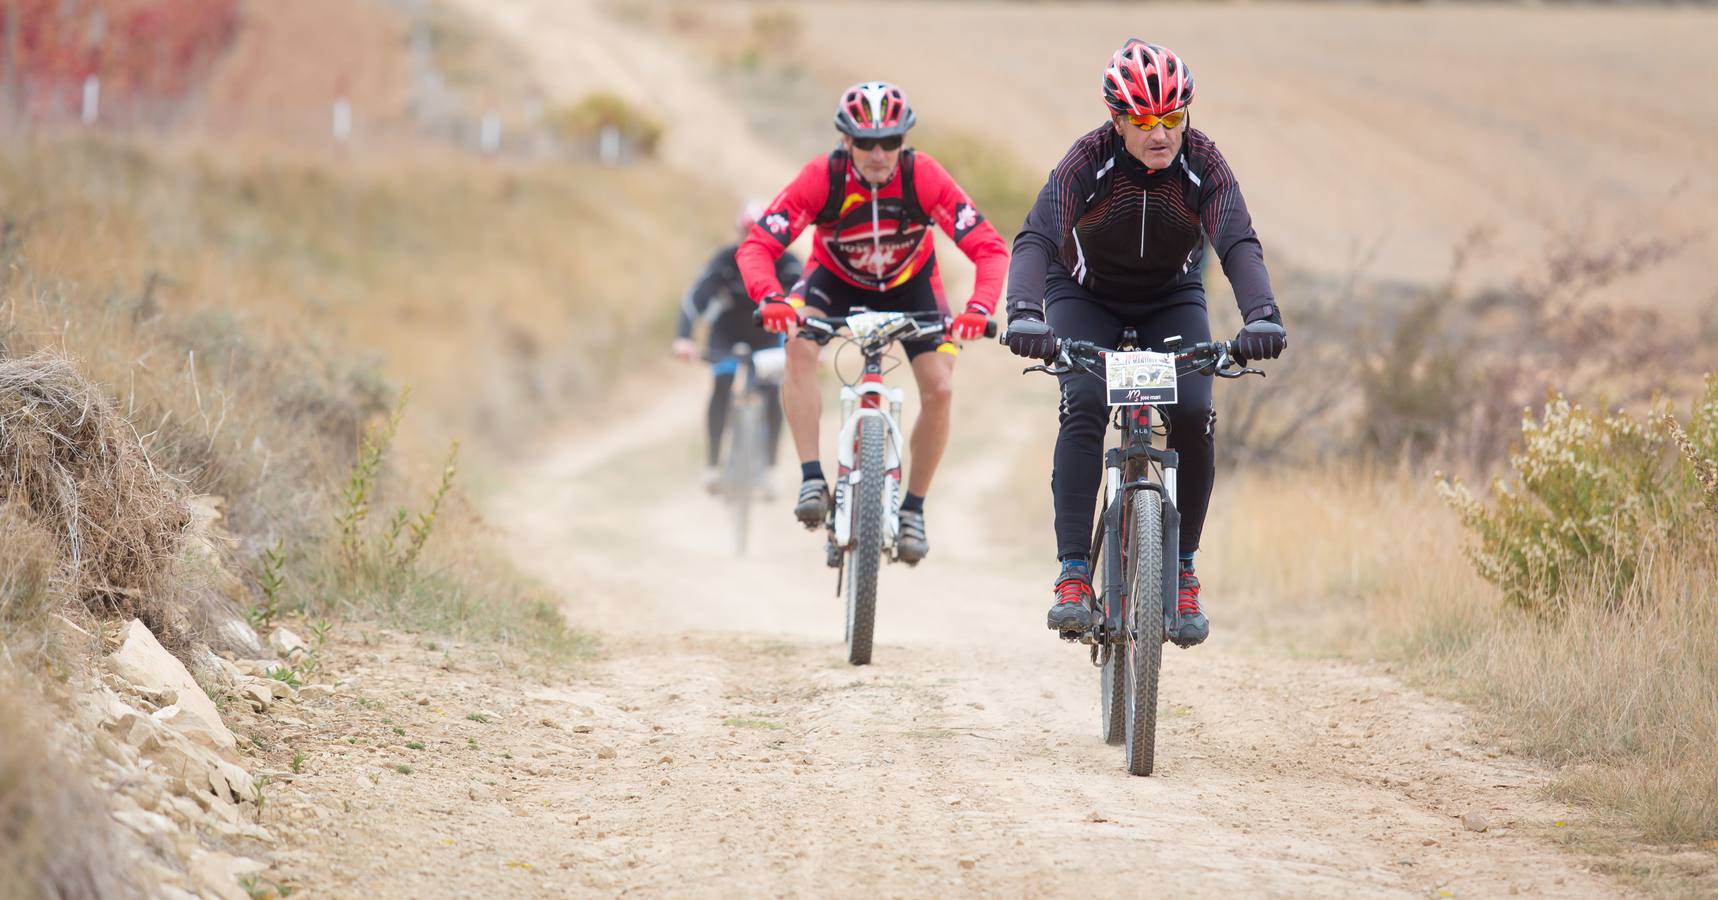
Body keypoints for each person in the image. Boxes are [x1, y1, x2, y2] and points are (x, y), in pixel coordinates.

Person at [1002, 40, 1287, 646]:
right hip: (1085, 295)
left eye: (1173, 118)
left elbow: (1237, 242)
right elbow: (1035, 236)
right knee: (1083, 402)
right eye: (1144, 120)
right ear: (1117, 119)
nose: (1161, 133)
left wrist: (1261, 316)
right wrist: (1026, 314)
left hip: (1170, 296)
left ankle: (1182, 569)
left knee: (1193, 410)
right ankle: (1074, 573)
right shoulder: (1088, 160)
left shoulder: (1204, 164)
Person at [737, 81, 1008, 563]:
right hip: (834, 280)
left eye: (890, 142)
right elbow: (758, 245)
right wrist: (771, 298)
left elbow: (988, 247)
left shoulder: (923, 176)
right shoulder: (823, 177)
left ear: (904, 141)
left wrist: (979, 308)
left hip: (914, 286)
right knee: (797, 344)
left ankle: (913, 511)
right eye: (866, 142)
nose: (879, 153)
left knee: (940, 389)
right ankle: (812, 481)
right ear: (846, 142)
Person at [674, 203, 804, 493]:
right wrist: (684, 338)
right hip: (726, 335)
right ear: (740, 232)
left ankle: (769, 468)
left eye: (760, 232)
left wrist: (815, 346)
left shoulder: (788, 264)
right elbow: (695, 298)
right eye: (748, 232)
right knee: (722, 384)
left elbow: (809, 301)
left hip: (769, 337)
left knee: (772, 393)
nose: (753, 238)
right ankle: (711, 465)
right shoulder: (724, 261)